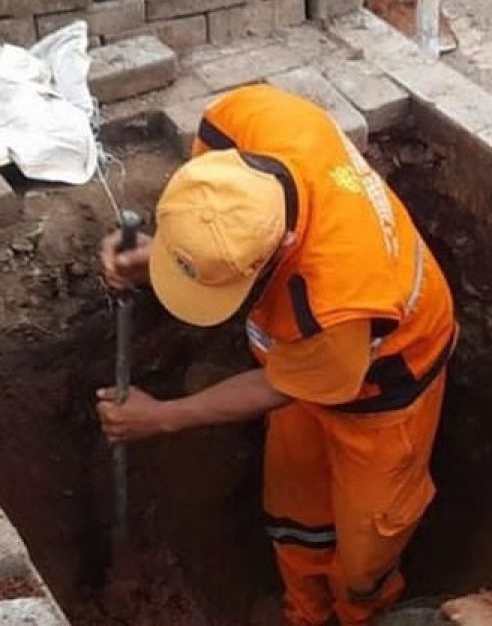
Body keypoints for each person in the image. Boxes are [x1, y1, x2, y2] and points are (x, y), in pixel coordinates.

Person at [96, 84, 457, 625]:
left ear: (273, 257)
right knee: (295, 509)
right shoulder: (246, 120)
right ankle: (305, 613)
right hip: (304, 358)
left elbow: (276, 388)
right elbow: (214, 215)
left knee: (367, 544)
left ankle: (363, 615)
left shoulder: (336, 300)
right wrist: (171, 255)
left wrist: (163, 418)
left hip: (387, 385)